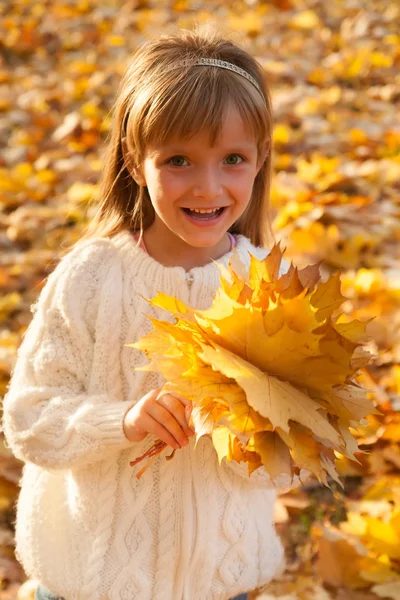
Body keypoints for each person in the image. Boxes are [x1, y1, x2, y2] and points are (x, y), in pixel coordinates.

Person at [2, 27, 291, 600]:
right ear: (136, 162)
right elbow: (30, 419)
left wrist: (256, 432)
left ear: (259, 160)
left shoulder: (270, 286)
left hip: (219, 584)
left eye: (232, 159)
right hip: (92, 581)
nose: (208, 186)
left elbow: (296, 456)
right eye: (179, 160)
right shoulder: (91, 277)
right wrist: (123, 421)